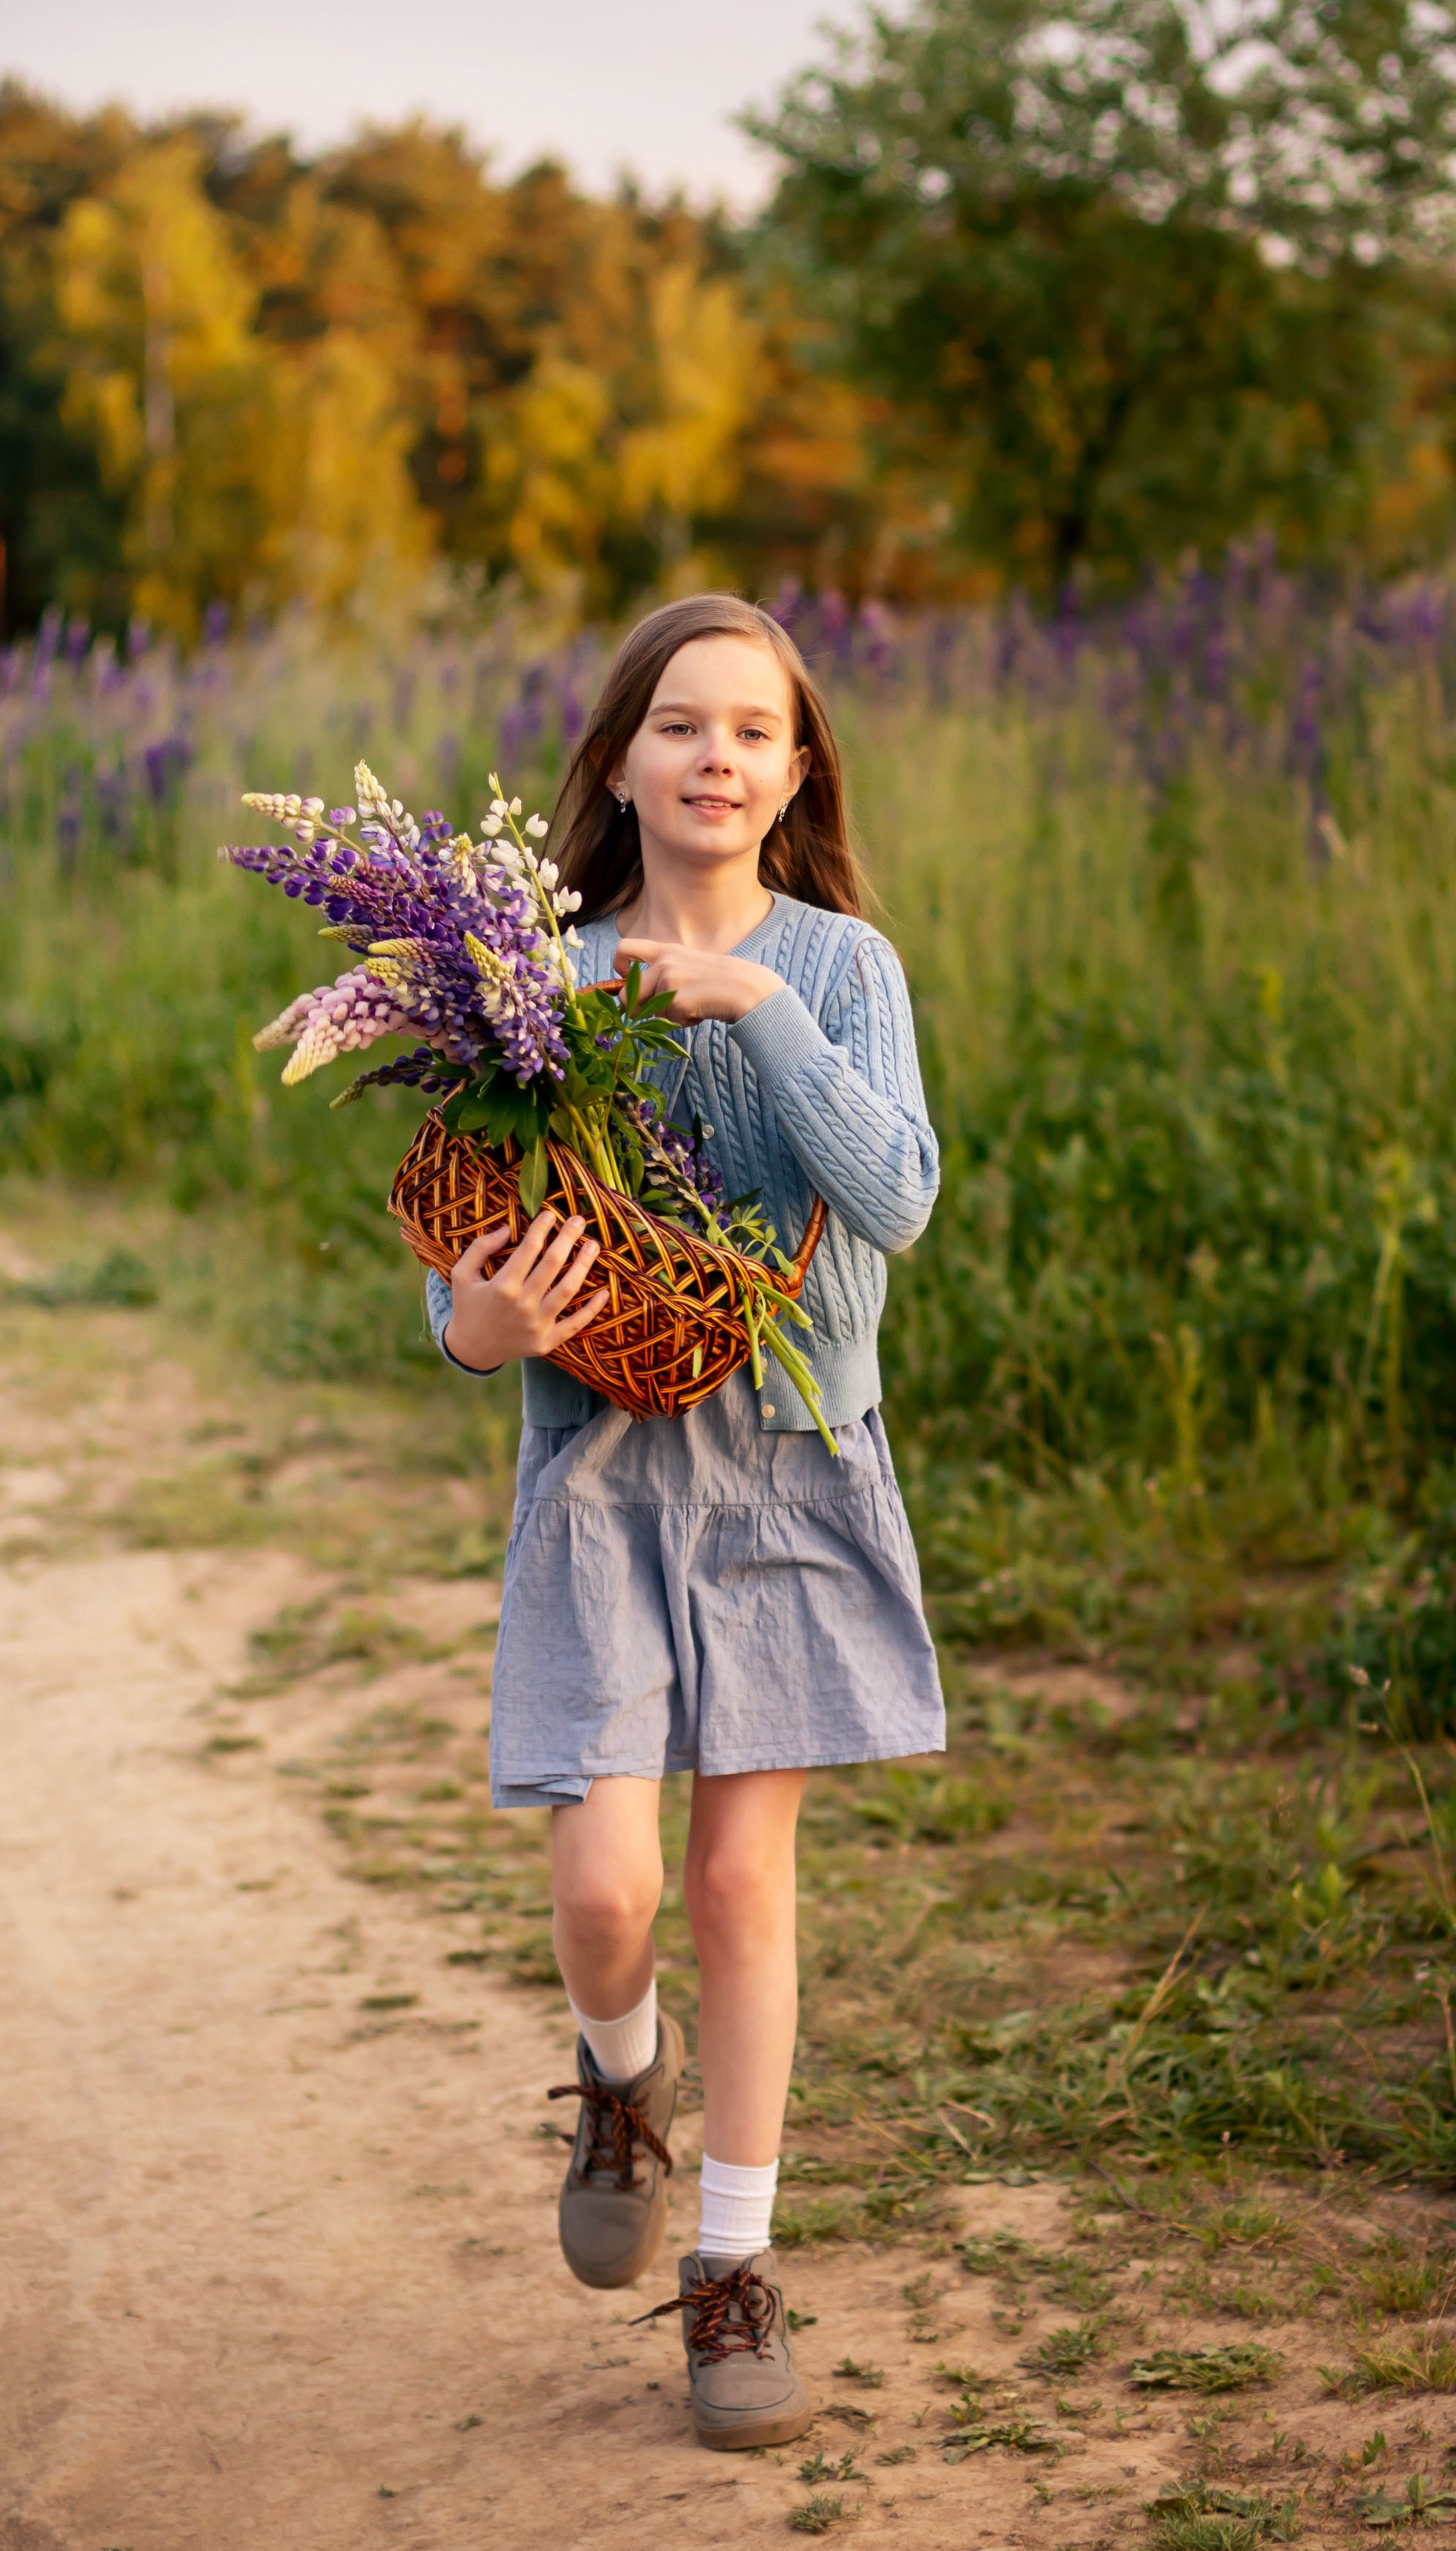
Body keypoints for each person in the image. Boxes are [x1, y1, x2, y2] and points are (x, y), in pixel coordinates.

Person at [420, 595, 944, 2452]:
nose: (715, 754)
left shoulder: (840, 967)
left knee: (735, 1881)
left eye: (753, 729)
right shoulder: (532, 980)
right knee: (604, 1890)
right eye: (679, 724)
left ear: (795, 773)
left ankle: (731, 2270)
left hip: (792, 1468)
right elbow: (469, 1247)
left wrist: (763, 1009)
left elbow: (892, 1196)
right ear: (620, 760)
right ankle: (618, 2074)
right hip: (603, 1480)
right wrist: (474, 1329)